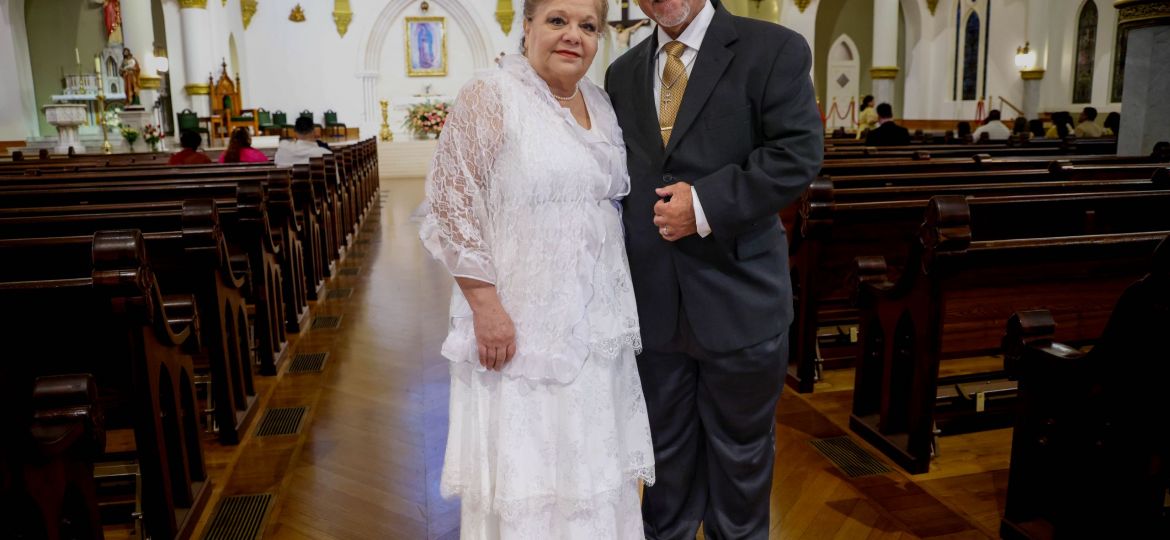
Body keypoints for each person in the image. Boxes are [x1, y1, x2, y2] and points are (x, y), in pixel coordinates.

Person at [419, 0, 655, 536]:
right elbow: (451, 206)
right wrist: (486, 307)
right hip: (521, 326)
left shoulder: (600, 100)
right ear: (526, 27)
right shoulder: (492, 94)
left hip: (597, 325)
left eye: (588, 26)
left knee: (591, 466)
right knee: (531, 470)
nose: (573, 36)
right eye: (557, 21)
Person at [606, 0, 822, 537]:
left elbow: (796, 153)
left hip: (738, 295)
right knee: (664, 458)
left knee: (740, 459)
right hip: (653, 303)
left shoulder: (772, 49)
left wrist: (703, 205)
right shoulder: (622, 72)